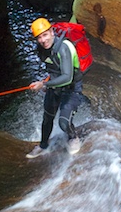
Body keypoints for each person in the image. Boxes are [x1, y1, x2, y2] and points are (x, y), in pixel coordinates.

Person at [26, 17, 83, 158]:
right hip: (56, 85)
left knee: (63, 123)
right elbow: (53, 68)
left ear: (52, 31)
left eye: (45, 35)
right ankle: (43, 145)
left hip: (71, 87)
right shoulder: (42, 49)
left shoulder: (64, 47)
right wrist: (48, 81)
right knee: (47, 118)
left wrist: (44, 84)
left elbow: (67, 77)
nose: (43, 40)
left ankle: (74, 137)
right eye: (39, 37)